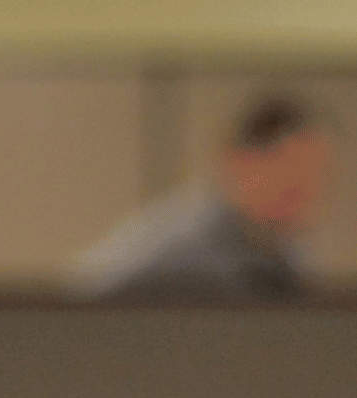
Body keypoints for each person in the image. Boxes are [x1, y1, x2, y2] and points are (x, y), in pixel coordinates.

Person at [71, 94, 333, 300]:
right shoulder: (178, 240)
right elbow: (80, 296)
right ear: (241, 162)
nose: (307, 189)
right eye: (292, 170)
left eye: (316, 174)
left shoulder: (290, 255)